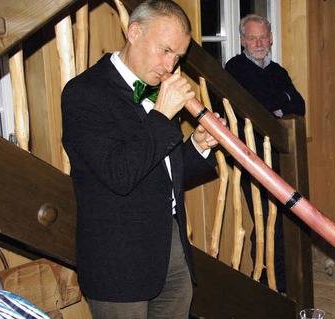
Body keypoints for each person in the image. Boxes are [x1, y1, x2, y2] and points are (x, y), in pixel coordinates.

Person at [61, 1, 224, 318]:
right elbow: (120, 174)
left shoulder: (153, 89)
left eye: (177, 57)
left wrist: (198, 145)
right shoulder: (84, 93)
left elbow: (160, 174)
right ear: (134, 32)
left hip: (170, 245)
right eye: (165, 50)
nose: (170, 66)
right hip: (118, 260)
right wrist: (163, 114)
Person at [225, 13, 306, 293]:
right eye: (252, 37)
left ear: (270, 39)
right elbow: (258, 103)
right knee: (263, 221)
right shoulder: (235, 68)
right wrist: (280, 100)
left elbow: (300, 104)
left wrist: (277, 102)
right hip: (252, 156)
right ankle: (262, 282)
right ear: (243, 41)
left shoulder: (278, 71)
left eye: (263, 37)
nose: (259, 42)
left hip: (281, 155)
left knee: (284, 219)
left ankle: (281, 282)